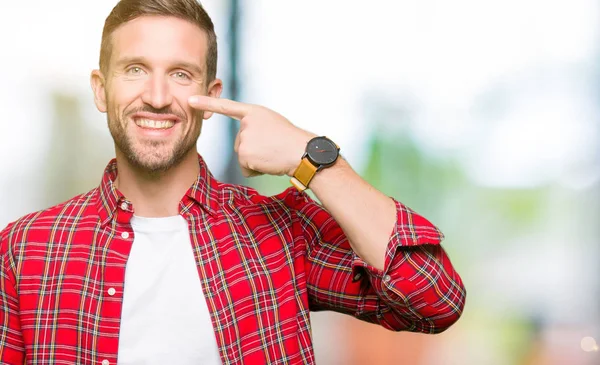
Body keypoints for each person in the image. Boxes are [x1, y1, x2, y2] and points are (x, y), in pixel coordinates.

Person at [0, 0, 466, 364]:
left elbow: (435, 300)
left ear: (211, 96)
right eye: (136, 69)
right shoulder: (26, 248)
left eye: (181, 74)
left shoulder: (280, 229)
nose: (158, 97)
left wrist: (313, 158)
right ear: (101, 89)